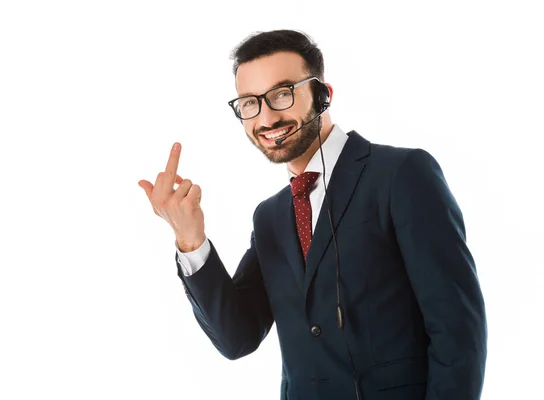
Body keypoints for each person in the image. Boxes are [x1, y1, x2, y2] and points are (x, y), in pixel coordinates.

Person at [138, 30, 487, 400]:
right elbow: (237, 338)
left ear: (323, 95)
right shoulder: (270, 217)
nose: (266, 117)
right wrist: (190, 240)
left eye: (281, 94)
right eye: (249, 103)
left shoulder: (401, 174)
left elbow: (458, 329)